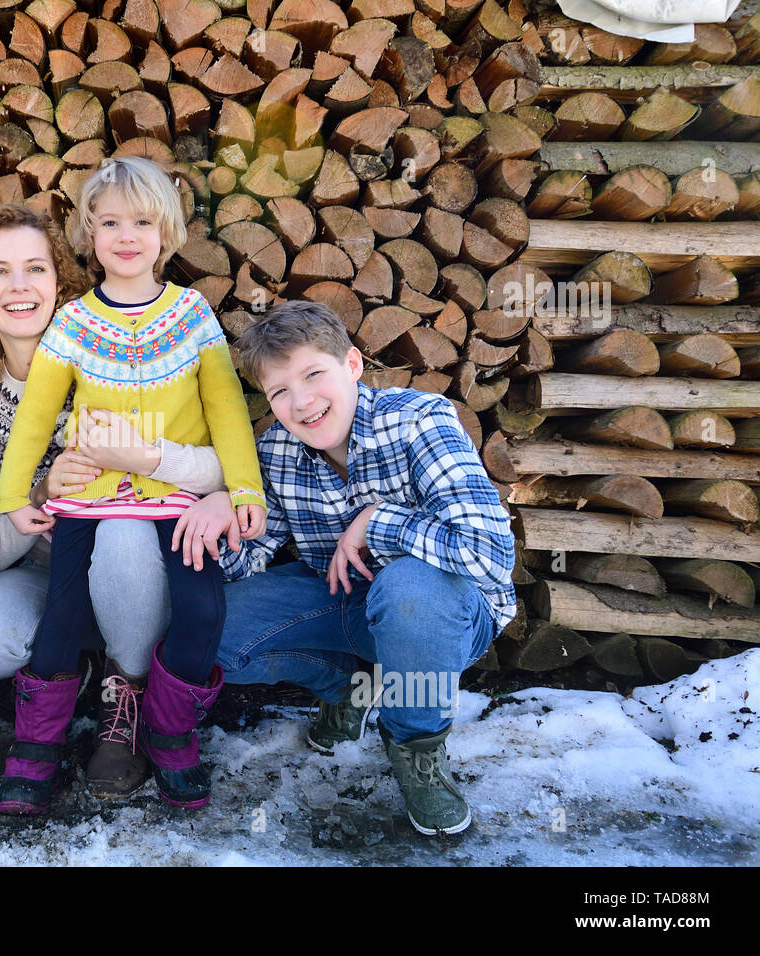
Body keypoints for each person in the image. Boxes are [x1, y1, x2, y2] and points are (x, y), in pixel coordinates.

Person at [0, 203, 228, 799]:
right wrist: (36, 499)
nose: (19, 287)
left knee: (123, 529)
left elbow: (218, 460)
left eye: (35, 268)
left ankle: (126, 697)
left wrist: (147, 462)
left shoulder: (120, 356)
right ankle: (71, 671)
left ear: (60, 281)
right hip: (41, 575)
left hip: (137, 565)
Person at [0, 157, 267, 815]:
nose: (125, 236)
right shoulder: (74, 322)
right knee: (58, 616)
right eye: (109, 222)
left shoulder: (193, 315)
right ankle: (38, 747)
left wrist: (246, 489)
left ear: (165, 232)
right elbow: (36, 415)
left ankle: (169, 732)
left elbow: (228, 407)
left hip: (179, 500)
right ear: (89, 232)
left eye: (141, 221)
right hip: (89, 496)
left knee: (202, 609)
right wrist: (11, 497)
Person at [178, 300, 515, 835]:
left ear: (353, 365)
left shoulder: (419, 421)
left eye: (314, 374)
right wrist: (225, 506)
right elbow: (248, 564)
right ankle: (349, 686)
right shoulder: (278, 451)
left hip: (442, 616)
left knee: (409, 589)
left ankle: (415, 749)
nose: (302, 401)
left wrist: (378, 522)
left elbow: (490, 554)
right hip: (345, 606)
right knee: (208, 628)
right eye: (280, 391)